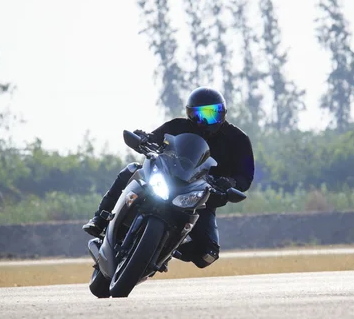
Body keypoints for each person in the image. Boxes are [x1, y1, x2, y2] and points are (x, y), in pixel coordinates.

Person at [82, 86, 255, 268]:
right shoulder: (177, 126)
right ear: (189, 114)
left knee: (208, 254)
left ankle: (167, 250)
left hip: (201, 197)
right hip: (167, 180)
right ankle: (99, 219)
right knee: (131, 169)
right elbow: (154, 138)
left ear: (222, 113)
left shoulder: (238, 139)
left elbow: (245, 176)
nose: (204, 120)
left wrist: (230, 183)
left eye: (211, 114)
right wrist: (144, 138)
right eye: (198, 114)